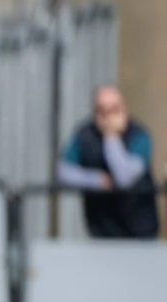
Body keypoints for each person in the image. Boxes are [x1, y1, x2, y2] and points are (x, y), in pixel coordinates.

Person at [57, 84, 159, 239]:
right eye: (102, 111)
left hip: (140, 234)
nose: (108, 117)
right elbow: (63, 172)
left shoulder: (140, 137)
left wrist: (111, 137)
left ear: (125, 110)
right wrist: (96, 180)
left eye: (114, 110)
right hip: (101, 233)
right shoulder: (85, 135)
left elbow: (124, 178)